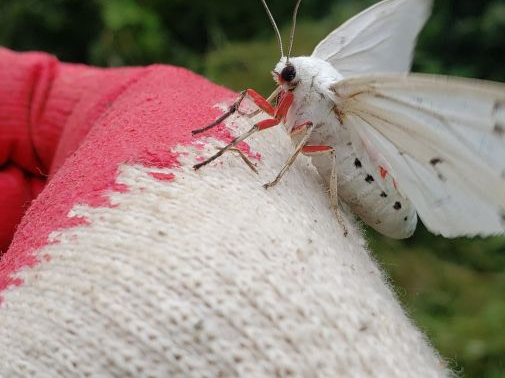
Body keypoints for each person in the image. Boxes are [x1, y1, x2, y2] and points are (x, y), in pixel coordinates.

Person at [0, 48, 447, 377]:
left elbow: (302, 140)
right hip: (358, 176)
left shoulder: (322, 98)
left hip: (377, 190)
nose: (278, 75)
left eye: (286, 74)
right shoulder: (294, 90)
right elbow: (270, 117)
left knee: (317, 146)